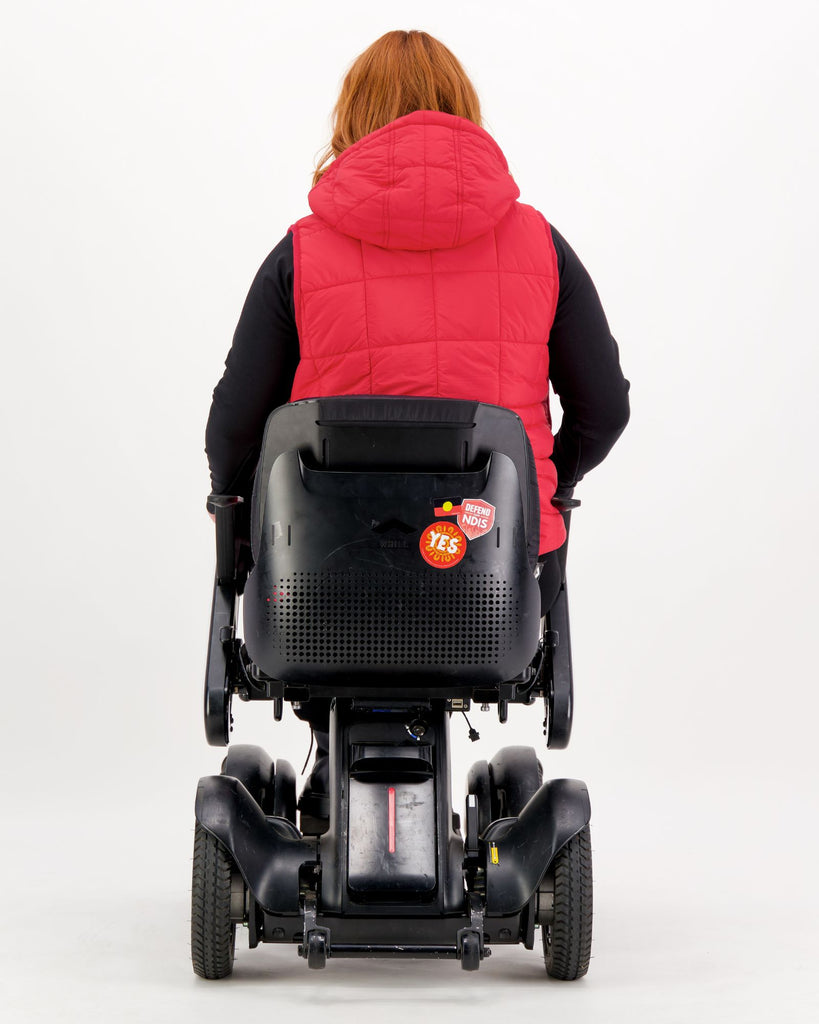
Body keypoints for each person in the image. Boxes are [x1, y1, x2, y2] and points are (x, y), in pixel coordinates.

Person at [205, 30, 630, 828]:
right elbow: (604, 408)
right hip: (480, 587)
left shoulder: (299, 254)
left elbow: (232, 429)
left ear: (353, 122)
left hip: (315, 597)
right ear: (463, 117)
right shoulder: (539, 245)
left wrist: (233, 521)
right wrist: (548, 483)